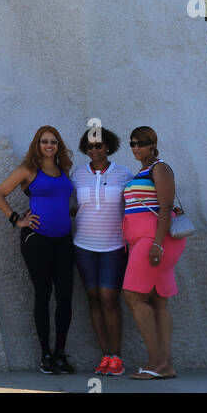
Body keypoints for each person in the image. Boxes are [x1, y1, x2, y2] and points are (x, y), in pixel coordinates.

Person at [0, 125, 76, 375]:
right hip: (37, 240)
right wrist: (17, 219)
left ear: (58, 145)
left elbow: (60, 199)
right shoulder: (28, 169)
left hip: (63, 239)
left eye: (53, 142)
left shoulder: (63, 170)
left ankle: (60, 353)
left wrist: (69, 212)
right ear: (37, 145)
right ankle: (45, 355)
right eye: (44, 141)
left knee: (65, 296)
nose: (49, 145)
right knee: (43, 293)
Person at [121, 125, 185, 380]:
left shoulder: (160, 168)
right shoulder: (143, 171)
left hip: (155, 240)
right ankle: (165, 365)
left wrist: (157, 243)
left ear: (153, 145)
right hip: (143, 241)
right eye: (133, 144)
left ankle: (156, 362)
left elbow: (166, 205)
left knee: (132, 295)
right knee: (158, 300)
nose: (136, 148)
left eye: (141, 143)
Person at [71, 125, 132, 376]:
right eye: (89, 146)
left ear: (108, 145)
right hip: (83, 246)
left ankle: (117, 357)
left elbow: (134, 204)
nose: (94, 150)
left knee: (109, 299)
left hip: (113, 246)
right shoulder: (77, 174)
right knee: (93, 298)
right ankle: (105, 356)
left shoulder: (124, 173)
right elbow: (71, 206)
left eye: (98, 145)